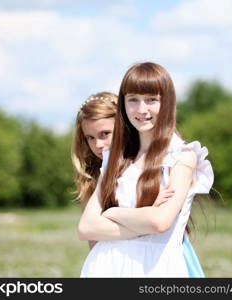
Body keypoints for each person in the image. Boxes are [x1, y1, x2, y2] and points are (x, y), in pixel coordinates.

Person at [73, 85, 208, 277]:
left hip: (161, 259)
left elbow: (162, 223)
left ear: (125, 126)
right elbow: (91, 234)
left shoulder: (165, 162)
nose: (98, 145)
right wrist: (143, 219)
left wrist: (111, 214)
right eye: (90, 138)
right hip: (116, 263)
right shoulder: (95, 178)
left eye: (105, 134)